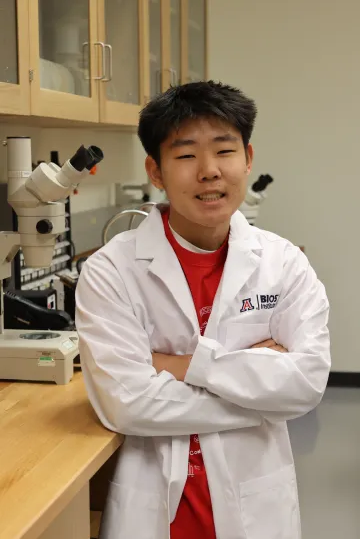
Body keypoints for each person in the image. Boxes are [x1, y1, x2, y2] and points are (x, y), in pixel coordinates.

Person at [75, 81, 330, 539]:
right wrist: (263, 400)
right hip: (154, 514)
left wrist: (180, 366)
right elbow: (128, 406)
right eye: (187, 155)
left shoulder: (284, 264)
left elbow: (306, 384)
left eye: (225, 151)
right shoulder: (111, 270)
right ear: (156, 170)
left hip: (257, 510)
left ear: (248, 159)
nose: (210, 172)